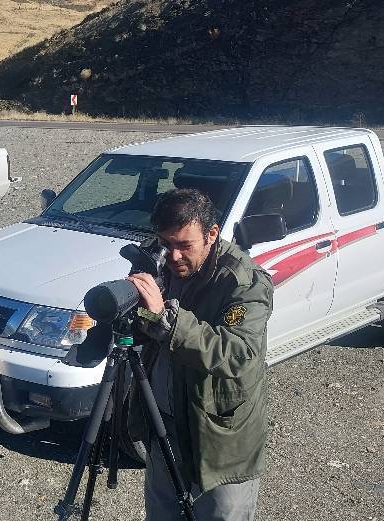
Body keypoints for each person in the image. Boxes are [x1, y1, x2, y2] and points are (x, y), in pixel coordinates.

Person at [125, 188, 273, 521]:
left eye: (184, 245)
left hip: (220, 436)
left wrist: (166, 317)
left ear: (212, 234)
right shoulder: (166, 265)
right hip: (166, 425)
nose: (174, 256)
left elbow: (238, 353)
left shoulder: (242, 283)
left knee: (219, 514)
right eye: (166, 244)